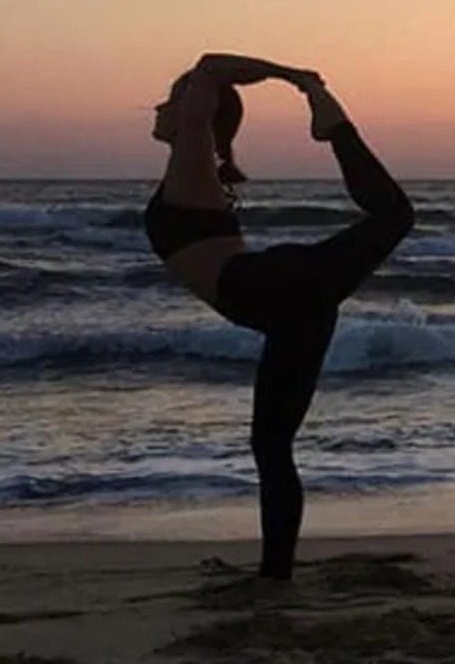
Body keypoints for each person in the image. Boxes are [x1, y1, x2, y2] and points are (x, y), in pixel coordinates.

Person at [145, 53, 413, 581]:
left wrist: (298, 80)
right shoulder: (197, 167)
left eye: (174, 99)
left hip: (279, 286)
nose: (160, 106)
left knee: (397, 215)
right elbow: (208, 80)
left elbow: (209, 66)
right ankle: (275, 575)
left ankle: (330, 117)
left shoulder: (193, 161)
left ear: (197, 114)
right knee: (271, 445)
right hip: (290, 305)